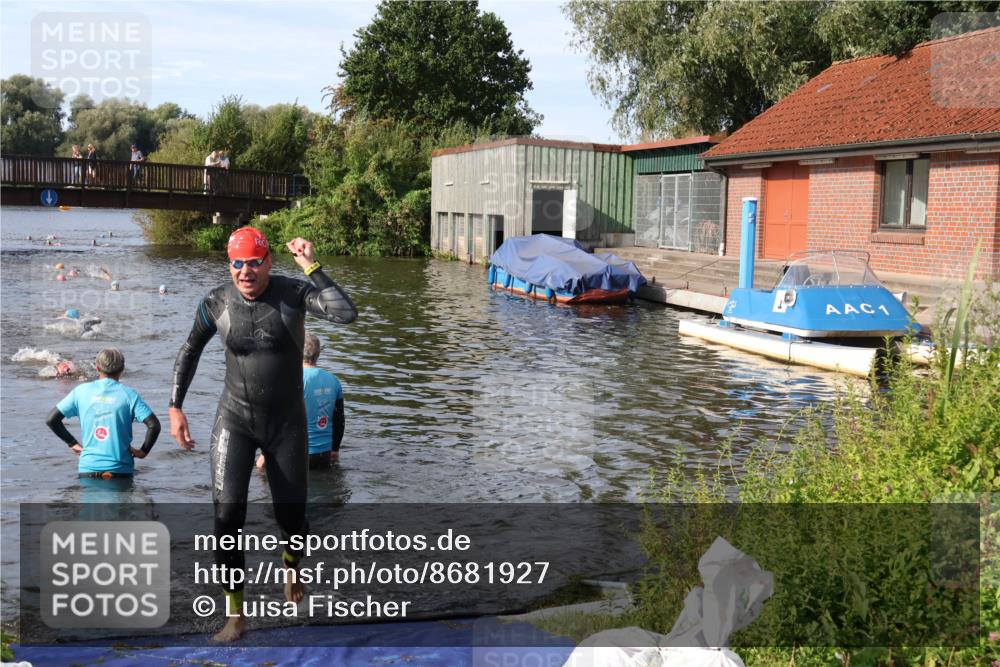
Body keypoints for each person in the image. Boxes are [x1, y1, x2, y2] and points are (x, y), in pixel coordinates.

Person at [168, 227, 357, 641]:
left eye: (255, 262)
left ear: (269, 261)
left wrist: (311, 264)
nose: (246, 271)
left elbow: (345, 313)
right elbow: (189, 349)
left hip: (286, 425)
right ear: (229, 264)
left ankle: (292, 562)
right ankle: (235, 615)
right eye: (238, 263)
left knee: (291, 519)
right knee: (226, 517)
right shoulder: (216, 301)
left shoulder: (293, 293)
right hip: (234, 420)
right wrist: (176, 405)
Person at [45, 348, 160, 478]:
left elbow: (51, 420)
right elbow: (154, 425)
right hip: (120, 470)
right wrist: (142, 452)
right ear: (122, 369)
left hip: (88, 469)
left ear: (98, 367)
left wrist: (72, 443)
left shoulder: (80, 391)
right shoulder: (129, 395)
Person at [256, 332, 344, 471]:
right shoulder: (334, 381)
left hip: (296, 455)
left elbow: (276, 419)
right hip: (324, 455)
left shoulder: (291, 379)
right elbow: (339, 420)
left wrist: (264, 454)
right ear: (318, 353)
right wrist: (335, 450)